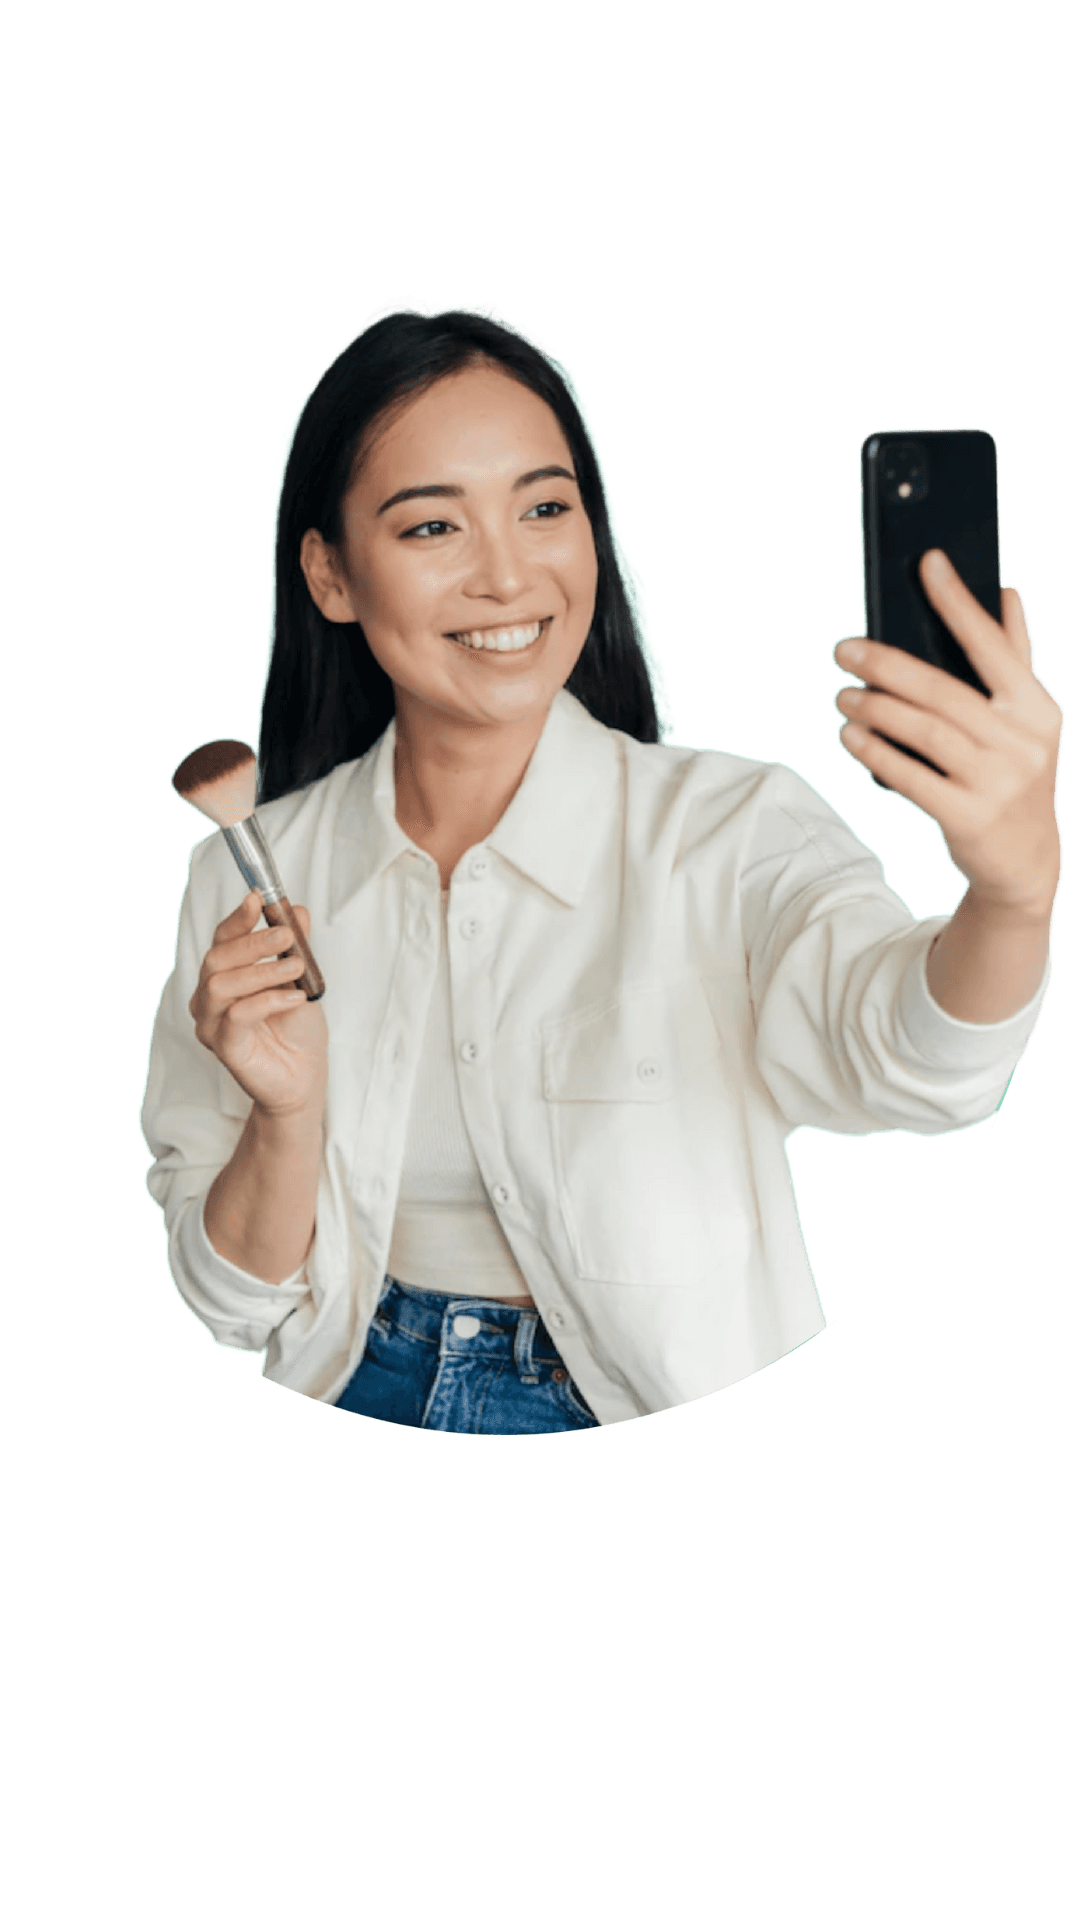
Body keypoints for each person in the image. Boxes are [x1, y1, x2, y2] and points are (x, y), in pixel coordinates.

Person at [140, 298, 1063, 1435]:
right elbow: (228, 1302)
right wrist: (284, 1118)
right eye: (434, 528)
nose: (508, 576)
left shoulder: (730, 829)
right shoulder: (244, 877)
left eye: (544, 507)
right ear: (331, 577)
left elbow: (915, 1066)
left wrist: (1013, 892)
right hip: (350, 1397)